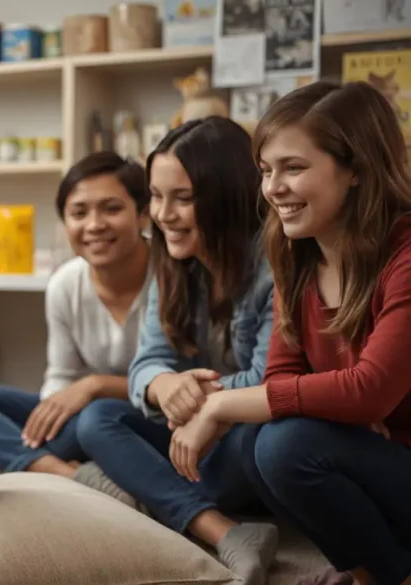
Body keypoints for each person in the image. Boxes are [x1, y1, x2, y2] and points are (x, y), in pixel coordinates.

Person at [170, 81, 411, 585]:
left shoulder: (405, 253)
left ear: (357, 171)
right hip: (374, 458)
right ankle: (375, 573)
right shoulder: (296, 255)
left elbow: (369, 390)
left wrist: (217, 405)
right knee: (266, 438)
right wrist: (341, 412)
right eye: (265, 170)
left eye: (293, 168)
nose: (273, 188)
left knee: (285, 443)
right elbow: (284, 374)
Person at [74, 116, 278, 584]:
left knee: (272, 436)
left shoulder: (273, 267)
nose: (163, 214)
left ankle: (151, 494)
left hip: (239, 448)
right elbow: (145, 364)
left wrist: (205, 399)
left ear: (226, 197)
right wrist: (165, 385)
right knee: (97, 420)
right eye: (157, 196)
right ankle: (224, 532)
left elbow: (271, 379)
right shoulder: (172, 265)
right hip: (186, 443)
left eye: (183, 199)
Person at [0, 151, 152, 486]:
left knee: (90, 423)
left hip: (151, 417)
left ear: (142, 214)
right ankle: (62, 473)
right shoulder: (65, 283)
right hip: (87, 419)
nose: (94, 225)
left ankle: (36, 463)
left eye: (111, 209)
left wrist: (95, 386)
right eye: (79, 213)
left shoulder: (173, 279)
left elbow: (183, 381)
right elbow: (60, 378)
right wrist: (50, 417)